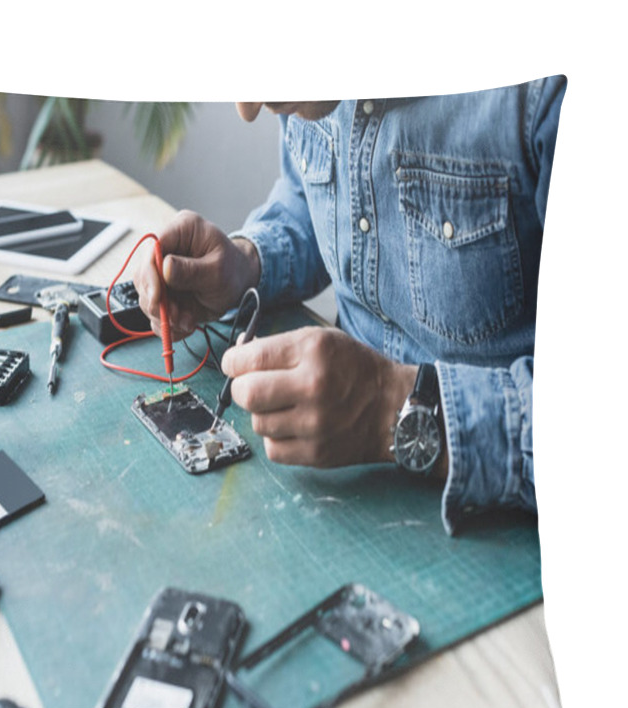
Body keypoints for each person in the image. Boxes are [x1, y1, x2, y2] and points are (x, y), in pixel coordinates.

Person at [134, 79, 566, 534]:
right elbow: (311, 198)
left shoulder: (551, 86)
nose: (249, 109)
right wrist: (246, 263)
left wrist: (388, 408)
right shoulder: (306, 80)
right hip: (346, 488)